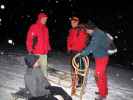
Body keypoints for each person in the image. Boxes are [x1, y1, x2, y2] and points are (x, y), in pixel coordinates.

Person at [78, 22, 110, 100]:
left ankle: (102, 96)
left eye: (87, 30)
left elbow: (92, 46)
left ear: (90, 29)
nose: (86, 32)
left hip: (102, 58)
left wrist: (83, 53)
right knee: (102, 75)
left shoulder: (97, 35)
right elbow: (93, 45)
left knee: (98, 75)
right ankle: (103, 91)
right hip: (101, 57)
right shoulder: (97, 33)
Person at [26, 12, 51, 77]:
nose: (45, 20)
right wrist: (30, 50)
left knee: (44, 71)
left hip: (44, 53)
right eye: (44, 19)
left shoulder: (46, 29)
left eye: (46, 19)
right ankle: (32, 85)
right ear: (40, 19)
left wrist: (48, 48)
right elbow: (29, 39)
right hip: (36, 53)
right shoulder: (34, 27)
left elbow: (47, 40)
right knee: (34, 71)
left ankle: (44, 85)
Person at [67, 16, 89, 89]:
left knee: (80, 67)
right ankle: (74, 81)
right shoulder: (71, 30)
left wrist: (81, 50)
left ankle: (80, 82)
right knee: (73, 66)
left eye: (74, 22)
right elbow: (69, 39)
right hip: (73, 51)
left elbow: (83, 41)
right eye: (71, 22)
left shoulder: (81, 29)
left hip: (79, 51)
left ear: (77, 22)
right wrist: (69, 47)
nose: (72, 23)